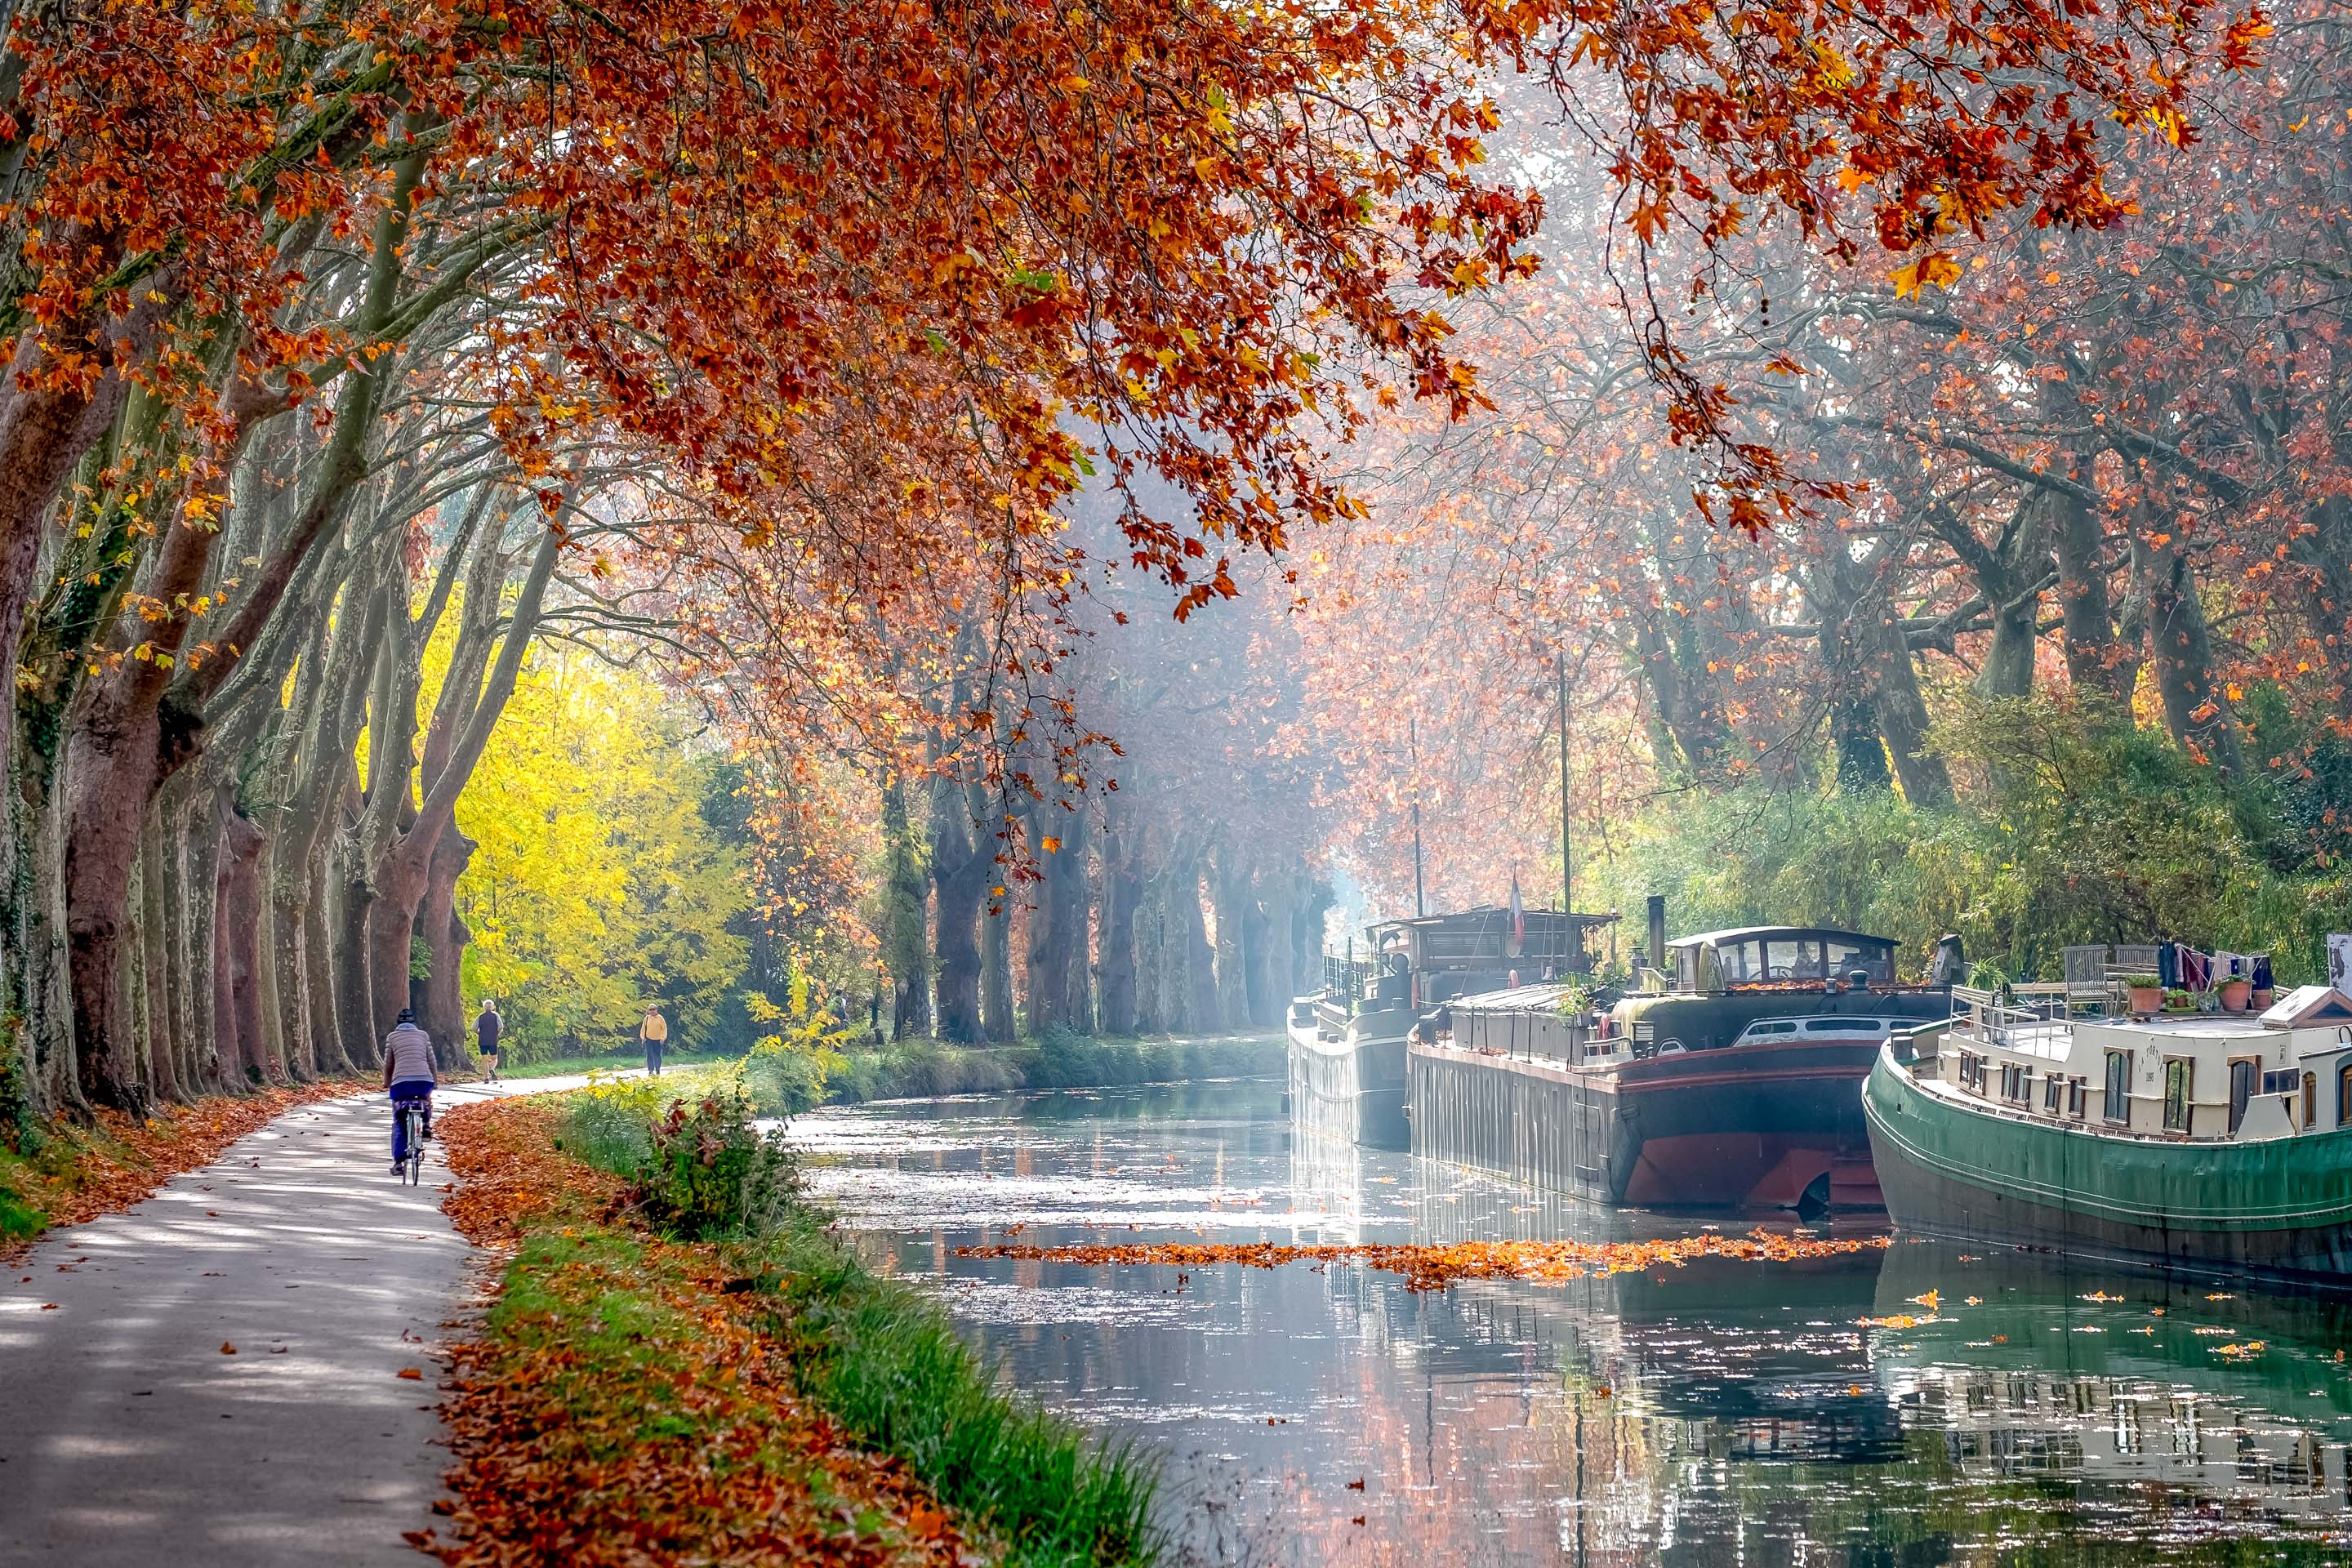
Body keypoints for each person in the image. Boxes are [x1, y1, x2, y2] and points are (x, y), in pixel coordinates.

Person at [382, 1008, 439, 1174]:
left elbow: (388, 1064)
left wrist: (387, 1082)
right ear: (414, 1024)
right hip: (424, 1080)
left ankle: (399, 1162)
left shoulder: (392, 1037)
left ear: (398, 1024)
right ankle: (426, 1125)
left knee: (399, 1120)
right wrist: (435, 1081)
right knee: (426, 1099)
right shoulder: (423, 1035)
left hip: (401, 1083)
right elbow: (432, 1061)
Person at [474, 998, 503, 1084]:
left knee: (484, 1058)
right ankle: (491, 1069)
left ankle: (486, 1078)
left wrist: (479, 1032)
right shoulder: (495, 1015)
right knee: (494, 1058)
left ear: (484, 1007)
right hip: (493, 1039)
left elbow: (473, 1028)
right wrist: (496, 1032)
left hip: (482, 1040)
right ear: (492, 1007)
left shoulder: (480, 1016)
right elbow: (501, 1027)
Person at [639, 1004, 667, 1076]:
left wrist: (663, 1038)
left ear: (656, 1010)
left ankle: (657, 1069)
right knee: (649, 1054)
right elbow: (643, 1029)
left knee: (657, 1054)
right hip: (648, 1039)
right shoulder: (647, 1018)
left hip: (658, 1040)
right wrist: (643, 1038)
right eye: (650, 1010)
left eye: (653, 1009)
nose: (652, 1011)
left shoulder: (660, 1018)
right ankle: (651, 1070)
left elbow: (664, 1029)